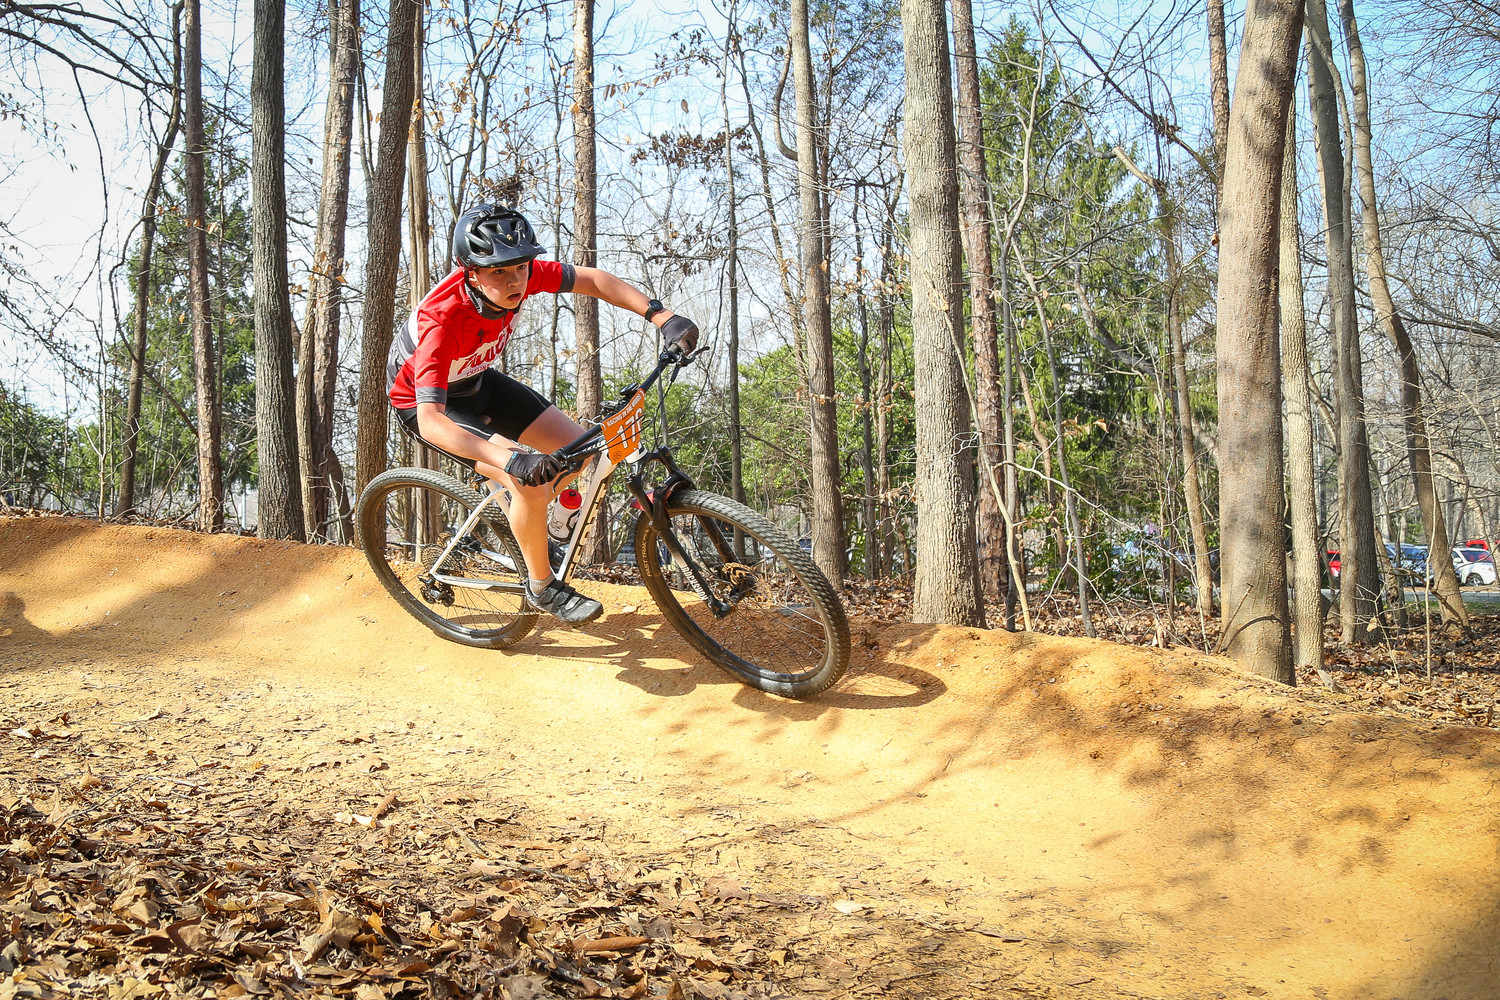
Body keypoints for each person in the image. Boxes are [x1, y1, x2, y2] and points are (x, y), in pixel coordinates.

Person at [386, 203, 699, 625]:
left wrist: (661, 315)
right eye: (499, 271)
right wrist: (511, 460)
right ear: (470, 273)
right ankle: (541, 585)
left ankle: (535, 524)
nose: (515, 280)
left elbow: (592, 280)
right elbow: (431, 421)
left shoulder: (524, 275)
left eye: (520, 267)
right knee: (525, 479)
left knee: (579, 449)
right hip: (426, 404)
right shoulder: (441, 321)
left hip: (476, 380)